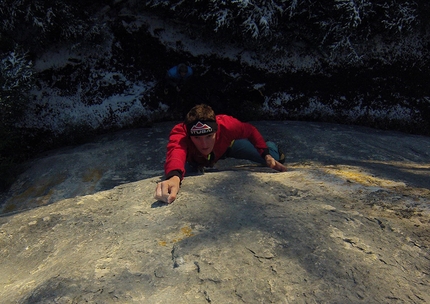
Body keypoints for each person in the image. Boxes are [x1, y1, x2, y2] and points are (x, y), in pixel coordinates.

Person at [154, 104, 287, 204]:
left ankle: (270, 146)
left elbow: (250, 131)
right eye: (197, 138)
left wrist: (265, 153)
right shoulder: (181, 133)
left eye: (209, 136)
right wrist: (174, 176)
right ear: (189, 135)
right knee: (184, 174)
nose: (204, 144)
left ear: (217, 130)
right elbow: (176, 151)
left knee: (274, 158)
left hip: (227, 148)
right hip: (195, 159)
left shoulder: (227, 125)